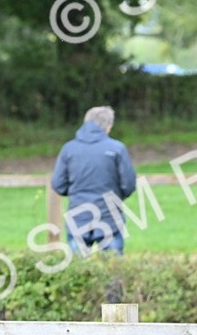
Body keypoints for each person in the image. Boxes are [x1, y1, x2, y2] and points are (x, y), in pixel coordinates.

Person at [50, 106, 137, 255]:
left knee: (76, 273)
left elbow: (58, 185)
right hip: (110, 218)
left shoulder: (68, 149)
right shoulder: (117, 149)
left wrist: (76, 194)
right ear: (108, 127)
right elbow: (128, 185)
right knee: (114, 272)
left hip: (78, 217)